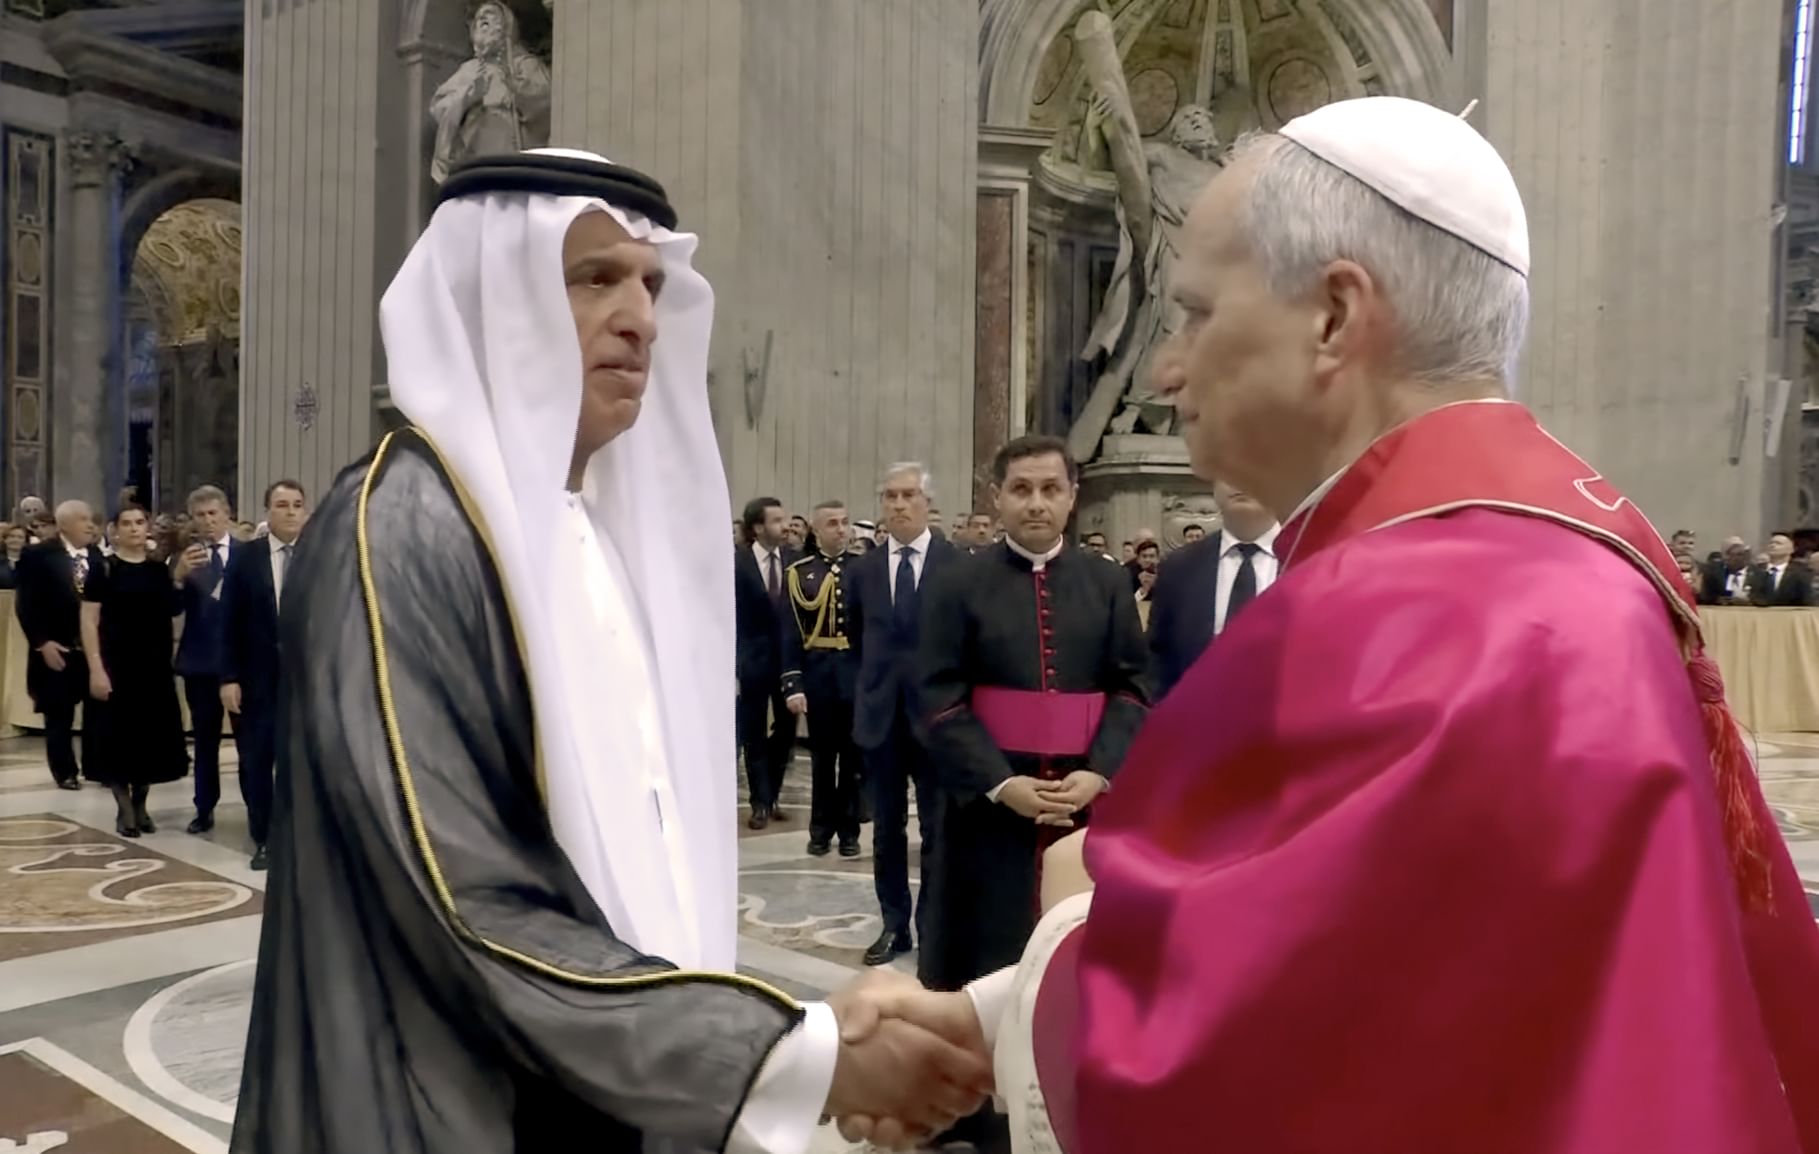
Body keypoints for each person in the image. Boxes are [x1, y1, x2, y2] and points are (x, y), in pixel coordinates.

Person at [847, 96, 1819, 1154]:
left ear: (1332, 318)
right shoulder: (1515, 573)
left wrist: (1067, 930)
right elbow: (1359, 967)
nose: (1165, 368)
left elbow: (1290, 1058)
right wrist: (988, 1018)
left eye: (1195, 314)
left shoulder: (1438, 611)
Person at [233, 149, 989, 1154]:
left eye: (652, 285)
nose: (640, 318)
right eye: (594, 278)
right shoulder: (400, 526)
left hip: (610, 1090)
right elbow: (462, 899)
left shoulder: (587, 527)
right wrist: (789, 1055)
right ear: (496, 299)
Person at [916, 435, 1147, 995]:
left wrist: (1100, 772)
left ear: (1072, 496)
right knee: (988, 962)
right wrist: (1001, 783)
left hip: (1084, 804)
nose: (1036, 503)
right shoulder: (956, 582)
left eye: (1050, 489)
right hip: (988, 811)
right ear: (997, 496)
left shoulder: (1107, 581)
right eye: (1021, 489)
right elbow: (937, 696)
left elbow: (1134, 688)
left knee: (1079, 966)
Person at [847, 461, 959, 966]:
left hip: (937, 719)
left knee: (937, 829)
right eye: (890, 496)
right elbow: (856, 638)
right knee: (886, 829)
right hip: (882, 718)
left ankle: (933, 925)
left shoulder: (956, 566)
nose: (898, 504)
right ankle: (894, 924)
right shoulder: (864, 570)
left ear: (927, 502)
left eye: (908, 495)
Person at [79, 504, 194, 836]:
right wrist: (95, 668)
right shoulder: (104, 569)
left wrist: (178, 579)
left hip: (152, 667)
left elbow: (172, 608)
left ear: (148, 528)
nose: (134, 528)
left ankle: (141, 804)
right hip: (115, 664)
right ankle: (124, 808)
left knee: (148, 739)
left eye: (140, 522)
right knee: (115, 739)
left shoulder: (158, 570)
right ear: (115, 531)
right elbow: (89, 620)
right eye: (126, 523)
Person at [219, 481, 308, 871]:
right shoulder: (246, 558)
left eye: (297, 505)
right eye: (282, 505)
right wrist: (228, 677)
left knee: (301, 763)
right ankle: (265, 839)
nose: (290, 512)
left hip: (306, 682)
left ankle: (300, 838)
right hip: (257, 681)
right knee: (257, 761)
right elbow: (228, 620)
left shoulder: (319, 555)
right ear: (267, 511)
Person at [1145, 480, 1280, 700]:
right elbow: (1157, 655)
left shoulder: (1314, 558)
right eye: (1228, 468)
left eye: (1255, 465)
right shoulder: (1179, 566)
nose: (1240, 477)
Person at [781, 501, 864, 858]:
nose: (841, 529)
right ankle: (819, 831)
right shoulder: (800, 573)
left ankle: (849, 832)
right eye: (832, 523)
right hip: (819, 678)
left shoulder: (864, 570)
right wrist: (793, 684)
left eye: (845, 522)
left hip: (856, 678)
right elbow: (789, 633)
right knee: (822, 760)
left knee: (853, 761)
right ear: (816, 530)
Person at [14, 501, 106, 789]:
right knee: (59, 713)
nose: (90, 525)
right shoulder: (37, 555)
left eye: (91, 519)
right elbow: (26, 603)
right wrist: (41, 642)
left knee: (97, 711)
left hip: (91, 648)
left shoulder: (96, 555)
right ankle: (64, 771)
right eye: (83, 520)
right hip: (57, 646)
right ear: (64, 524)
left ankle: (97, 766)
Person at [175, 484, 239, 835]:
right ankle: (204, 807)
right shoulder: (185, 560)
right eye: (200, 515)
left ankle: (259, 809)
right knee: (205, 741)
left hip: (242, 664)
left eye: (213, 513)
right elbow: (171, 608)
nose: (208, 521)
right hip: (200, 662)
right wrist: (177, 577)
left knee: (250, 742)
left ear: (227, 514)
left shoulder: (248, 554)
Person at [735, 495, 800, 829]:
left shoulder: (795, 561)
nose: (785, 526)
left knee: (786, 730)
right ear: (758, 527)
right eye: (776, 520)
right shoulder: (737, 563)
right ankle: (759, 801)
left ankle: (772, 794)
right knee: (753, 731)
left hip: (788, 662)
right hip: (752, 660)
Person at [1748, 532, 1815, 607]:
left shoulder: (1802, 573)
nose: (1773, 545)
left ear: (1791, 549)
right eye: (1771, 543)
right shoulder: (1755, 570)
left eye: (1778, 543)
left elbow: (1807, 600)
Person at [0, 522, 25, 589]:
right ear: (5, 539)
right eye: (12, 536)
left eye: (20, 537)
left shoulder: (32, 562)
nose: (16, 540)